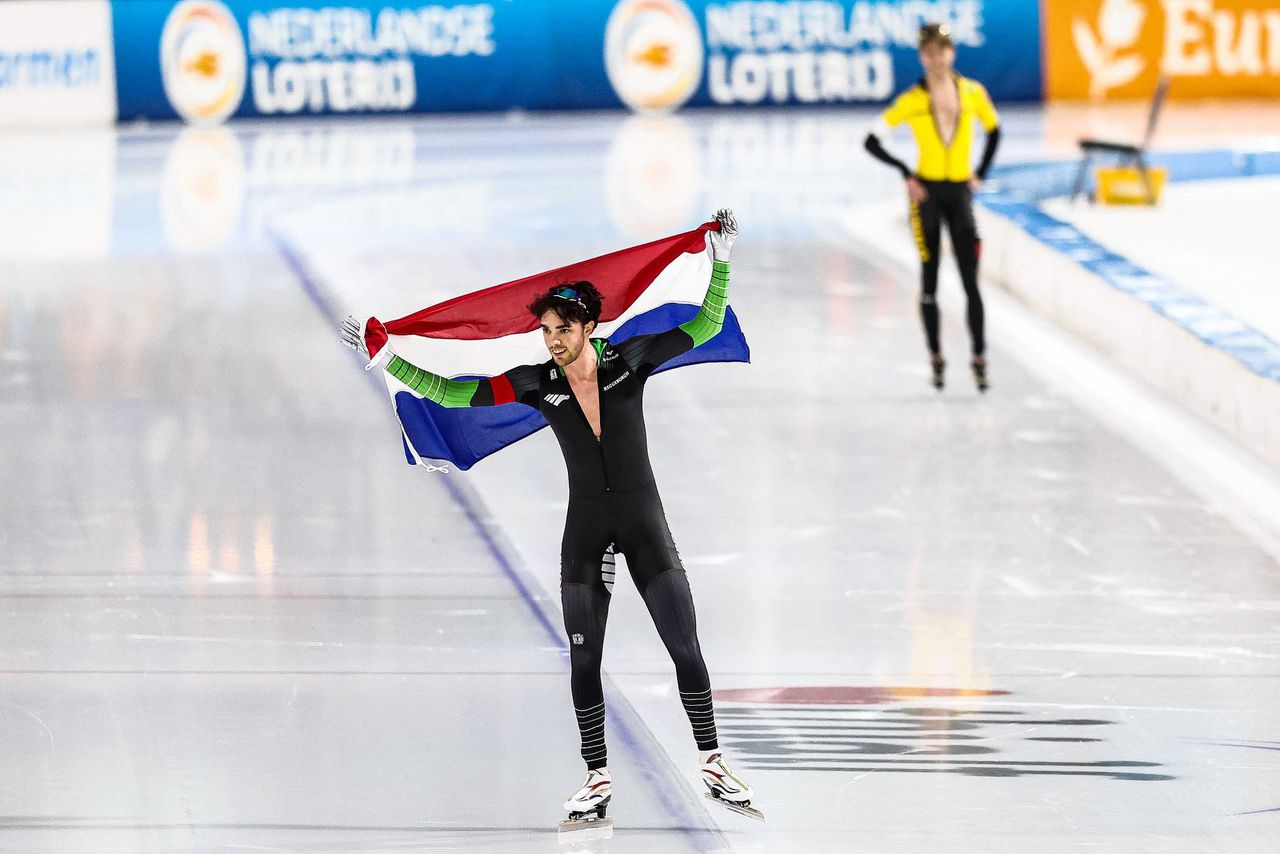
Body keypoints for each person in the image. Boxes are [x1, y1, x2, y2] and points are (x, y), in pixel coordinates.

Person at [340, 210, 760, 828]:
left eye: (563, 330)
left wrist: (717, 260)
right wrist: (389, 361)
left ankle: (714, 760)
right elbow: (456, 392)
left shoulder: (631, 360)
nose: (552, 341)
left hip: (644, 523)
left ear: (590, 326)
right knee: (584, 655)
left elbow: (706, 322)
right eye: (545, 331)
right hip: (587, 529)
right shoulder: (538, 383)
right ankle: (596, 776)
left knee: (684, 643)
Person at [864, 22, 1002, 392]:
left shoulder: (973, 92)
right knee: (930, 279)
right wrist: (906, 173)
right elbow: (872, 140)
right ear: (922, 56)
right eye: (929, 52)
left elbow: (995, 129)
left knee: (972, 282)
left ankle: (978, 355)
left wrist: (980, 174)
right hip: (926, 195)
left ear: (951, 53)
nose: (936, 58)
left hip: (959, 194)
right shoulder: (911, 100)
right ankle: (936, 356)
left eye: (941, 50)